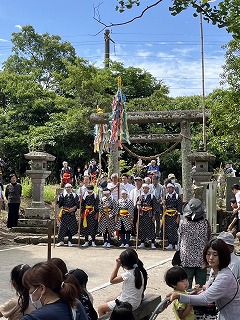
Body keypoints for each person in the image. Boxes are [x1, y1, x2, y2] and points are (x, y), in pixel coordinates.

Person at [169, 239, 240, 320]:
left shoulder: (224, 277)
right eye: (208, 254)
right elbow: (207, 291)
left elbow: (205, 299)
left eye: (215, 255)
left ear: (223, 256)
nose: (211, 258)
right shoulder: (215, 271)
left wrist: (179, 296)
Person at [21, 261, 87, 320]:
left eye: (29, 288)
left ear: (42, 288)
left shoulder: (32, 318)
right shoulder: (75, 303)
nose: (29, 292)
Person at [98, 248, 144, 316]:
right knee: (108, 300)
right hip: (136, 302)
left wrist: (117, 266)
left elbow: (112, 280)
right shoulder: (139, 272)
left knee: (100, 308)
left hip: (127, 304)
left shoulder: (127, 274)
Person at [180, 198, 211, 288]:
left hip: (186, 258)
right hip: (202, 259)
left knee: (186, 286)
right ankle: (199, 301)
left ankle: (187, 301)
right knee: (201, 287)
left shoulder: (183, 224)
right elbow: (208, 239)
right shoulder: (205, 224)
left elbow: (180, 238)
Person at [136, 183, 158, 249]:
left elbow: (154, 207)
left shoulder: (152, 196)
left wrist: (154, 216)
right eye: (143, 188)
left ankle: (153, 242)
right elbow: (137, 207)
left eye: (146, 188)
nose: (144, 189)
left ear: (148, 189)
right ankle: (142, 242)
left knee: (151, 228)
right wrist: (138, 205)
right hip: (142, 214)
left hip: (149, 214)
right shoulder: (140, 197)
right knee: (142, 228)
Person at [162, 183, 182, 250]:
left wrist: (179, 215)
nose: (169, 189)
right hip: (167, 215)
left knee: (175, 229)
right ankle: (170, 243)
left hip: (175, 214)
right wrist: (163, 204)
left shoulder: (177, 196)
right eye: (167, 188)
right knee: (168, 229)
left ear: (173, 188)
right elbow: (164, 207)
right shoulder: (166, 196)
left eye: (170, 188)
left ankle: (176, 243)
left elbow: (179, 206)